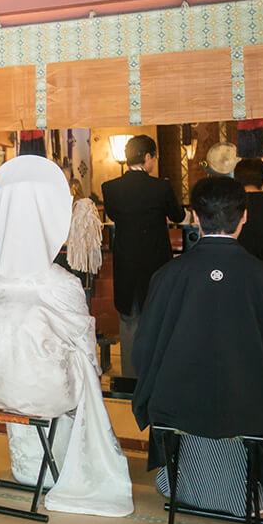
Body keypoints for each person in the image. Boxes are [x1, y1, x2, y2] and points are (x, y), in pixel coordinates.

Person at [133, 176, 263, 517]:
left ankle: (185, 482)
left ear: (194, 217)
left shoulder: (167, 277)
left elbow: (144, 353)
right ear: (245, 216)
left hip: (178, 411)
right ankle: (255, 491)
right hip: (253, 416)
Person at [0, 155, 133, 517]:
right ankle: (68, 468)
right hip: (50, 395)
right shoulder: (61, 282)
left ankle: (26, 468)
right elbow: (86, 348)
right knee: (82, 367)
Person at [101, 134, 186, 377]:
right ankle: (157, 376)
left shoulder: (110, 188)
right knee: (157, 318)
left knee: (129, 319)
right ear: (148, 157)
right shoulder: (161, 187)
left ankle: (130, 377)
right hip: (156, 262)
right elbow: (178, 216)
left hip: (126, 261)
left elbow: (115, 217)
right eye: (154, 158)